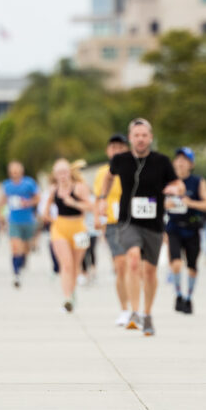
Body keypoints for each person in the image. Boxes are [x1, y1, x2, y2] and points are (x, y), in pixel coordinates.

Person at [97, 118, 184, 337]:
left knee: (150, 271)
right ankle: (134, 312)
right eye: (136, 135)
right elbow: (108, 177)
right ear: (131, 138)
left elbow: (177, 183)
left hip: (153, 223)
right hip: (128, 222)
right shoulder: (121, 160)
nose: (141, 139)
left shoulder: (162, 161)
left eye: (144, 135)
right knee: (133, 260)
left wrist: (175, 190)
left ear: (150, 137)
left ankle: (147, 314)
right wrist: (101, 198)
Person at [166, 147, 206, 315]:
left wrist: (191, 203)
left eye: (184, 160)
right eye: (177, 159)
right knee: (176, 263)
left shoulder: (198, 182)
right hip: (173, 228)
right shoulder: (167, 181)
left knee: (192, 267)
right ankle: (178, 294)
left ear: (191, 164)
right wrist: (166, 204)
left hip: (192, 229)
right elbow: (156, 202)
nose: (180, 162)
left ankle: (188, 297)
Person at [43, 158, 95, 312]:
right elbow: (45, 211)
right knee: (66, 265)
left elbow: (90, 206)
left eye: (65, 172)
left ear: (70, 172)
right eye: (59, 173)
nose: (62, 176)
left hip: (79, 228)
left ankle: (72, 294)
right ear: (55, 175)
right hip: (60, 228)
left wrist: (74, 203)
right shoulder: (53, 190)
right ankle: (66, 298)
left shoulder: (79, 187)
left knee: (75, 266)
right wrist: (51, 219)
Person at [94, 134, 134, 326]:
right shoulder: (102, 172)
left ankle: (136, 307)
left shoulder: (134, 167)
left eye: (120, 147)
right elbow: (98, 197)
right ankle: (125, 309)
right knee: (120, 266)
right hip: (112, 222)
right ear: (107, 151)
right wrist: (97, 218)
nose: (116, 151)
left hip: (134, 221)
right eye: (113, 147)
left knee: (134, 266)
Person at [1, 161, 40, 288]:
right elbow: (3, 201)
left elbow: (38, 198)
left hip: (28, 220)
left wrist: (28, 203)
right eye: (12, 171)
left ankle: (24, 259)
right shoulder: (7, 185)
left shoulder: (29, 183)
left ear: (21, 171)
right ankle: (16, 273)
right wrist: (0, 215)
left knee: (26, 247)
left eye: (17, 170)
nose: (15, 173)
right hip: (14, 220)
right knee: (15, 247)